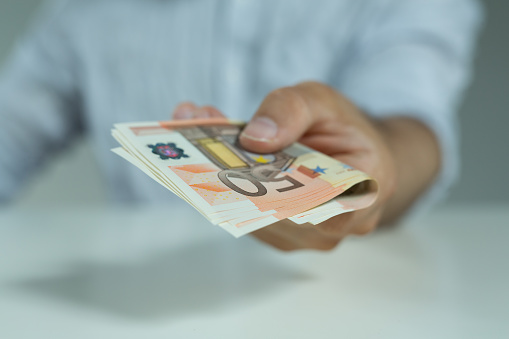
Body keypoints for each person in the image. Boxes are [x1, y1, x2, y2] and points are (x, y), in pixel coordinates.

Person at [0, 0, 483, 251]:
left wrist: (378, 163)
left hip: (348, 300)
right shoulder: (83, 12)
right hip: (144, 299)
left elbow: (415, 124)